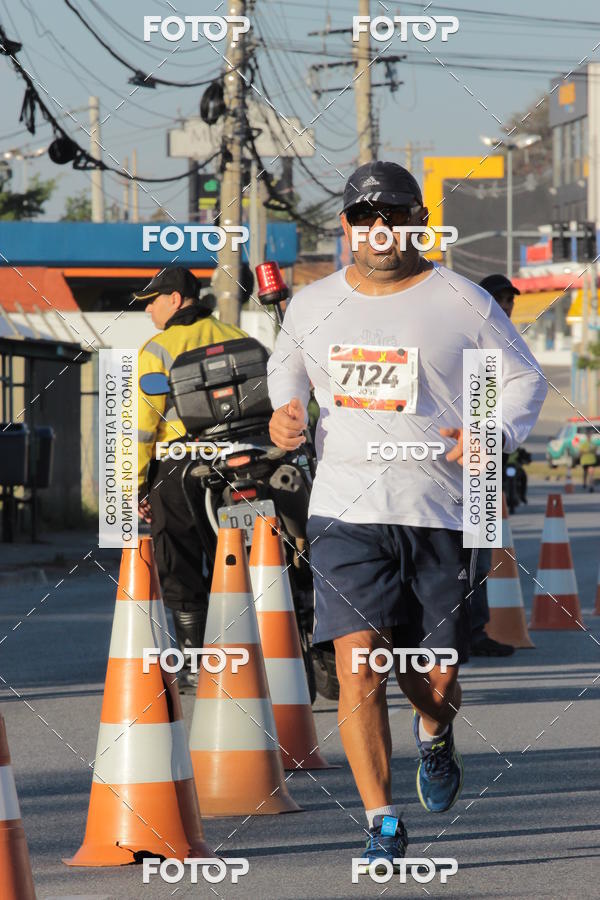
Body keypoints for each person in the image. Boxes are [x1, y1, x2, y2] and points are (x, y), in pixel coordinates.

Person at [267, 161, 548, 873]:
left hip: (441, 510)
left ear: (417, 221)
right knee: (358, 666)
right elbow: (287, 367)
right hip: (346, 508)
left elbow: (524, 379)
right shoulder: (313, 303)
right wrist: (285, 411)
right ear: (347, 227)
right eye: (364, 217)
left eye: (393, 214)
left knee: (437, 675)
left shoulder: (460, 300)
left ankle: (434, 732)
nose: (379, 228)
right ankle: (380, 821)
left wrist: (492, 432)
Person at [135, 266, 247, 690]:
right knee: (239, 557)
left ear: (177, 299)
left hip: (179, 464)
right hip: (238, 462)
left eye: (153, 300)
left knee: (177, 559)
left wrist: (136, 485)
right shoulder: (238, 338)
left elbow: (143, 425)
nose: (149, 309)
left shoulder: (158, 348)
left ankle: (196, 661)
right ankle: (251, 652)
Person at [468, 273, 525, 657]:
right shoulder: (475, 346)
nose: (505, 306)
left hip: (488, 463)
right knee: (463, 552)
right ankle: (463, 631)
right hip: (465, 462)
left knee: (479, 549)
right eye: (498, 299)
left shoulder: (508, 347)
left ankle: (473, 629)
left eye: (509, 300)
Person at [579, 427, 597, 491]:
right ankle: (584, 483)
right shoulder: (583, 444)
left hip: (591, 460)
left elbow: (595, 451)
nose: (589, 437)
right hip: (585, 461)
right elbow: (580, 452)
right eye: (588, 436)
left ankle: (591, 486)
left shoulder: (593, 444)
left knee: (591, 474)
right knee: (585, 473)